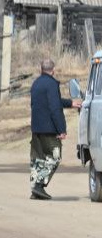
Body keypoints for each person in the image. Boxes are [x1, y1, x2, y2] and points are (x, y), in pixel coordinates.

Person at [29, 58, 82, 200]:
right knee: (54, 157)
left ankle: (35, 189)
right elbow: (54, 108)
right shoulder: (52, 84)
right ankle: (40, 186)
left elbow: (49, 102)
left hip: (36, 128)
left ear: (41, 69)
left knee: (38, 159)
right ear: (53, 70)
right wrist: (61, 130)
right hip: (49, 129)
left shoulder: (36, 84)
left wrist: (71, 103)